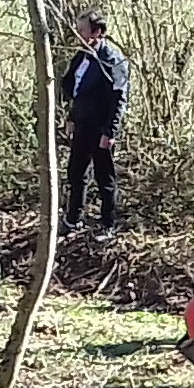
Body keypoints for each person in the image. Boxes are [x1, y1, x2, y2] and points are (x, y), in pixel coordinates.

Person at [62, 12, 129, 232]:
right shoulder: (82, 55)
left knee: (104, 177)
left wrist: (109, 132)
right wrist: (72, 117)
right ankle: (73, 219)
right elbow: (76, 89)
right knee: (76, 172)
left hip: (100, 128)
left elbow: (118, 98)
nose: (78, 34)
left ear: (97, 32)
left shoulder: (112, 59)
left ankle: (108, 223)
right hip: (82, 123)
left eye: (82, 30)